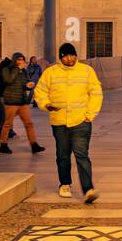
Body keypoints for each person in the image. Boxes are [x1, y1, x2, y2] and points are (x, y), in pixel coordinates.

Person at [34, 42, 103, 202]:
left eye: (72, 55)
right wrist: (46, 104)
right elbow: (40, 91)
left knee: (82, 155)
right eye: (66, 56)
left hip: (81, 121)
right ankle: (65, 184)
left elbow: (96, 93)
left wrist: (90, 114)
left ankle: (88, 189)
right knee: (63, 155)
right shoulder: (51, 72)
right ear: (61, 58)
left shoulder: (86, 71)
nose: (69, 59)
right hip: (59, 122)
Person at [0, 52, 45, 155]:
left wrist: (28, 85)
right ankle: (3, 144)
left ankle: (34, 145)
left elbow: (24, 83)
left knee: (29, 123)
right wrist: (18, 69)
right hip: (11, 101)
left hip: (22, 102)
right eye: (19, 60)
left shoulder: (23, 71)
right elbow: (8, 81)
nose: (21, 62)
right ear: (14, 60)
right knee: (7, 124)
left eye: (22, 60)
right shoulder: (7, 69)